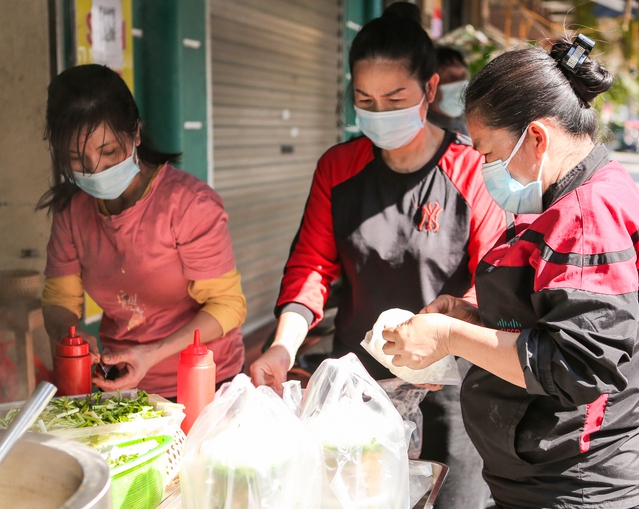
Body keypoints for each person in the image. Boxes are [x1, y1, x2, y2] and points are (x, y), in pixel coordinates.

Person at [383, 36, 639, 509]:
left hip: (577, 489)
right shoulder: (570, 197)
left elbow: (577, 365)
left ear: (536, 138)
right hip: (544, 484)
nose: (485, 169)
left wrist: (451, 338)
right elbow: (547, 318)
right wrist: (470, 315)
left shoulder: (586, 213)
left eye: (490, 154)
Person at [250, 6, 503, 509]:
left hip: (447, 392)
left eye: (395, 98)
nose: (380, 113)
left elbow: (493, 278)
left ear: (429, 91)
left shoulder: (470, 169)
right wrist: (283, 348)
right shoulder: (338, 168)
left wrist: (447, 334)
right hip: (354, 392)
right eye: (366, 100)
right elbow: (310, 270)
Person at [39, 64, 246, 399]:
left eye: (108, 152)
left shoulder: (188, 204)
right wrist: (73, 336)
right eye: (77, 159)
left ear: (135, 133)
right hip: (123, 385)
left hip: (204, 382)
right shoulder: (72, 213)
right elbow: (59, 302)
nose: (95, 170)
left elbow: (226, 305)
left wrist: (151, 354)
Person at [428, 47, 470, 135]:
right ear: (430, 84)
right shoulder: (418, 127)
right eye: (450, 77)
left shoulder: (463, 129)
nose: (459, 83)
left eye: (463, 76)